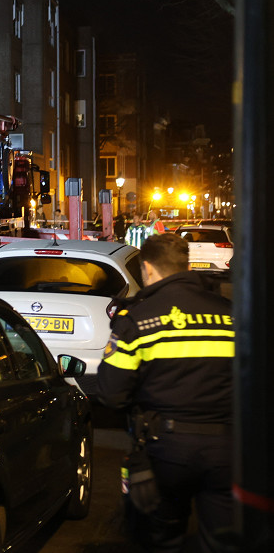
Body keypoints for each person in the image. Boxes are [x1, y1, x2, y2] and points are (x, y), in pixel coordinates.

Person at [96, 233, 234, 553]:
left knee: (159, 540)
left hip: (165, 451)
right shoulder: (230, 314)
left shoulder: (137, 319)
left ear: (147, 269)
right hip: (228, 448)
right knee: (224, 540)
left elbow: (111, 393)